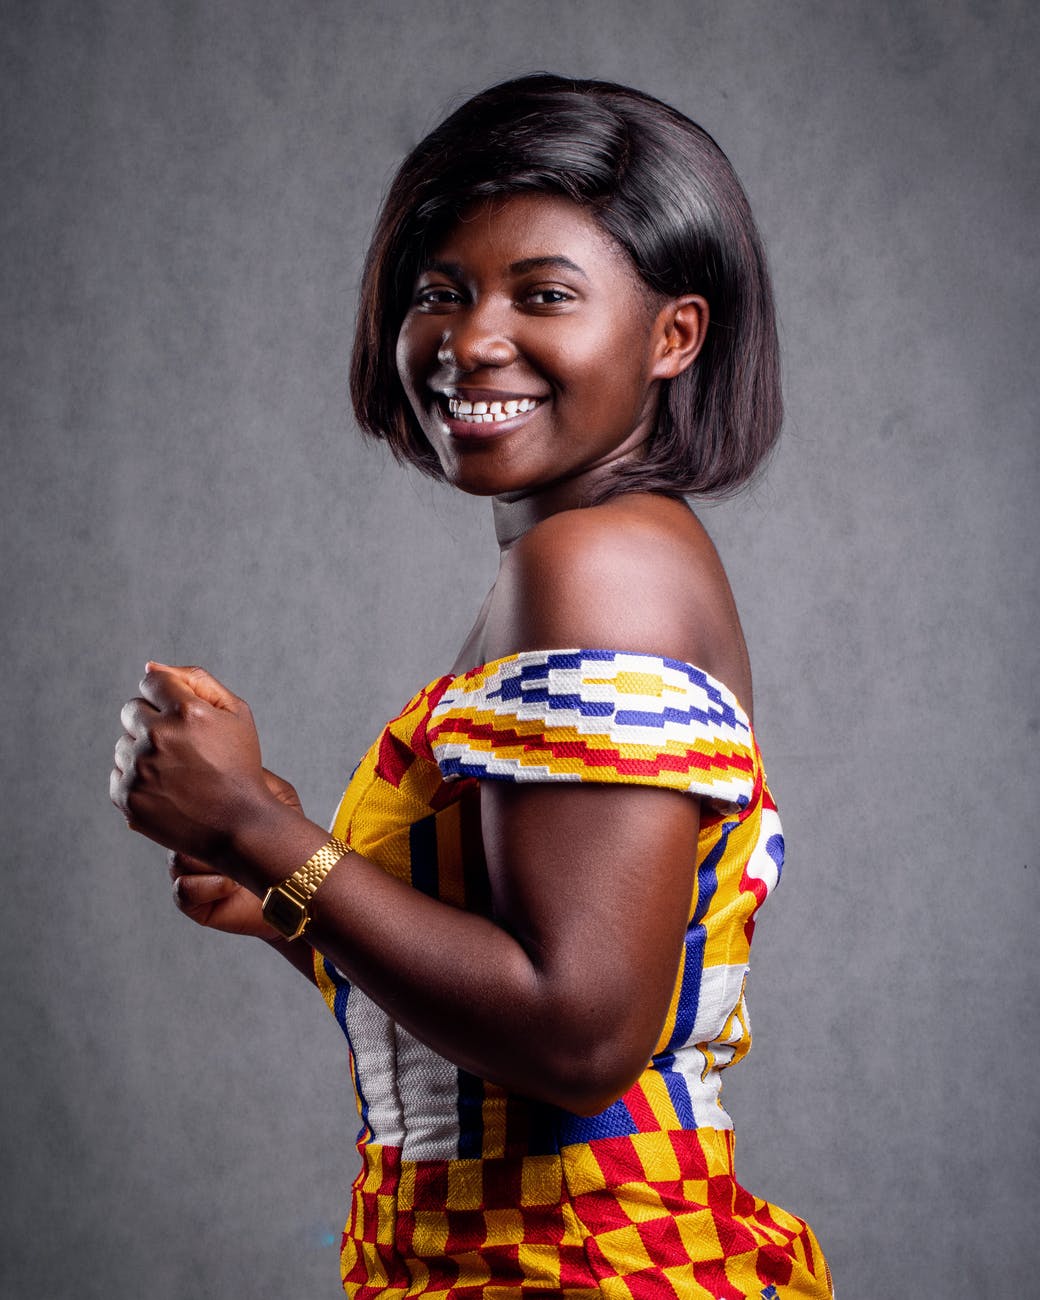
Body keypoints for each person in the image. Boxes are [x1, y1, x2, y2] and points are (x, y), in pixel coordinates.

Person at [112, 74, 833, 1299]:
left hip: (575, 1268)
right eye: (440, 290)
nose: (468, 339)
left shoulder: (590, 565)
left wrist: (257, 827)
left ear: (673, 335)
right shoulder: (606, 552)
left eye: (542, 294)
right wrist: (285, 896)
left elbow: (576, 1035)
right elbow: (492, 1046)